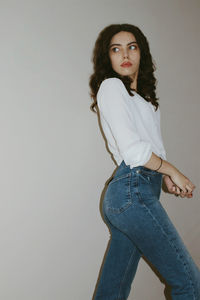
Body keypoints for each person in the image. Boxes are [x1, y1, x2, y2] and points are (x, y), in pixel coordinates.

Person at [89, 23, 200, 300]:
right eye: (116, 49)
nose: (125, 54)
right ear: (108, 58)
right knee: (190, 283)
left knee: (112, 293)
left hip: (137, 191)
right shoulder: (112, 86)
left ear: (142, 54)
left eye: (132, 47)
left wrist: (163, 177)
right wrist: (173, 170)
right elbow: (134, 152)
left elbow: (151, 150)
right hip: (131, 190)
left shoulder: (147, 102)